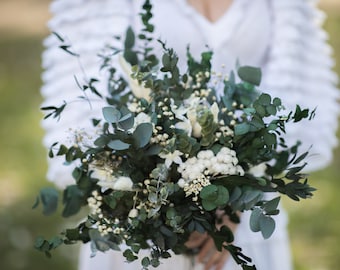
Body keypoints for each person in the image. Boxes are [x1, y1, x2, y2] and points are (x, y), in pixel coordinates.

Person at [40, 0, 339, 269]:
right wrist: (168, 204)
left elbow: (289, 98)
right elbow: (84, 107)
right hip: (146, 219)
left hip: (248, 216)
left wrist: (234, 199)